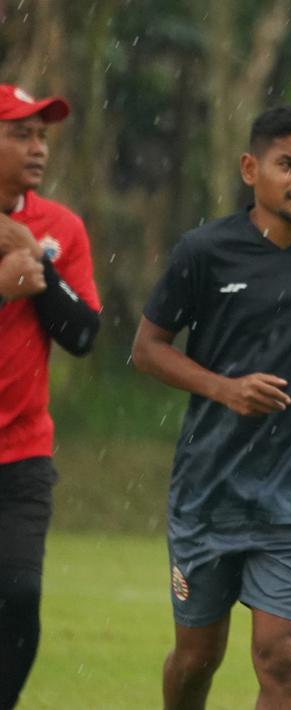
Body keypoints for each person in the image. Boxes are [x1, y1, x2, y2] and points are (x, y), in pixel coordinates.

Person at [131, 105, 291, 710]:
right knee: (197, 659)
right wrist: (224, 388)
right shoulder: (205, 252)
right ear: (250, 168)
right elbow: (146, 349)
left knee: (281, 659)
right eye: (287, 164)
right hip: (208, 490)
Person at [0, 83, 100, 710]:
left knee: (18, 598)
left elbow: (84, 333)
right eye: (20, 133)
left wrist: (39, 271)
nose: (38, 148)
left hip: (22, 455)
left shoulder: (60, 227)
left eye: (43, 136)